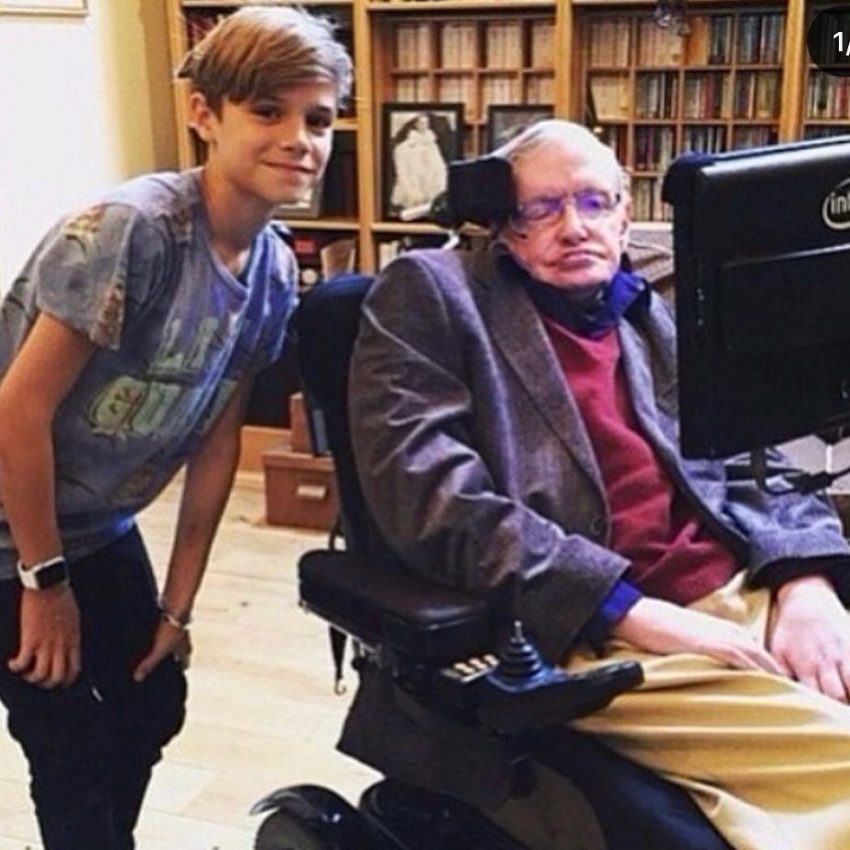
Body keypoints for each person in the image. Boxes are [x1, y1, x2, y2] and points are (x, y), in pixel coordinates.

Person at [344, 119, 850, 850]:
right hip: (586, 637)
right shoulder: (433, 294)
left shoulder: (651, 302)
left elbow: (753, 451)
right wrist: (632, 612)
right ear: (504, 223)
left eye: (592, 202)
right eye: (541, 207)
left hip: (746, 592)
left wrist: (806, 584)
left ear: (623, 213)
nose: (573, 226)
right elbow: (436, 504)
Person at [0, 8, 351, 849]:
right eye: (267, 111)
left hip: (99, 525)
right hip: (15, 531)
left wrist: (179, 607)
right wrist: (44, 586)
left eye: (318, 119)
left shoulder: (274, 271)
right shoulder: (133, 232)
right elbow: (16, 410)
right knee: (68, 742)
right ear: (205, 113)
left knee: (151, 700)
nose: (298, 138)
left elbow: (217, 440)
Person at [389, 113, 449, 215]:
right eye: (421, 123)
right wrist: (413, 194)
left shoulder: (432, 145)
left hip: (432, 194)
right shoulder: (402, 148)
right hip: (410, 196)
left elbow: (440, 168)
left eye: (426, 123)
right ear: (415, 124)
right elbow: (402, 173)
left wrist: (440, 190)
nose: (424, 126)